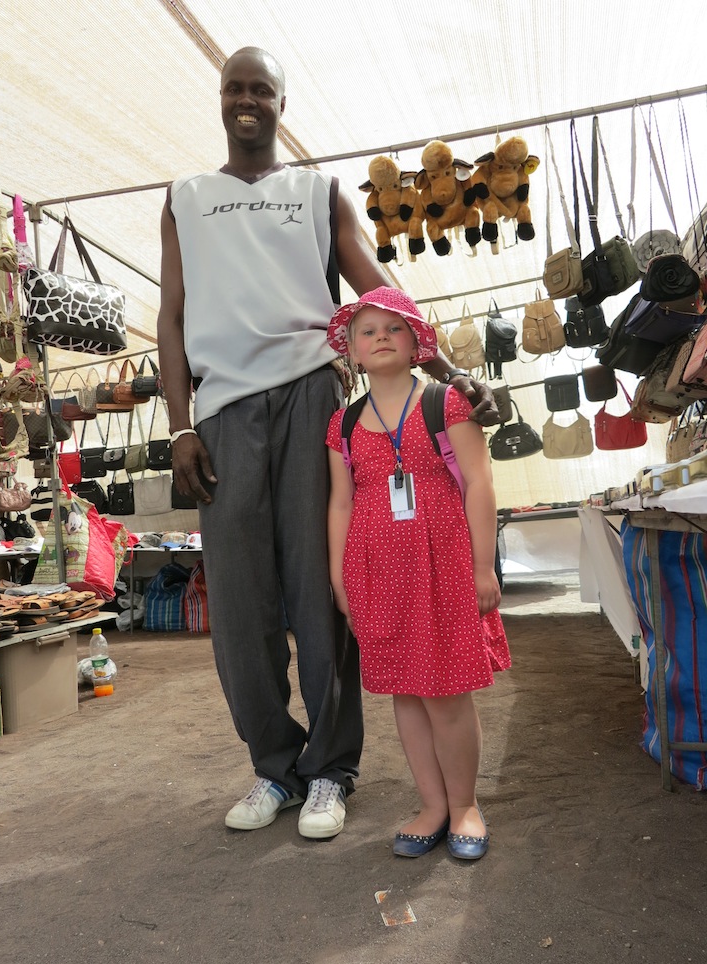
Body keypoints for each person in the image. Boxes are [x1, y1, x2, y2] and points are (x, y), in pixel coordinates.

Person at [156, 46, 497, 840]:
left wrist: (449, 371)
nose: (247, 100)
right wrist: (179, 426)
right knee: (238, 601)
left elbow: (379, 289)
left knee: (323, 588)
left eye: (262, 90)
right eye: (234, 88)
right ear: (219, 98)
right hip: (222, 411)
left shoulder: (319, 192)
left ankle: (330, 771)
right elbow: (171, 315)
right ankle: (274, 767)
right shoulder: (184, 197)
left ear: (282, 104)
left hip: (312, 398)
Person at [325, 288, 510, 859]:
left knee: (447, 695)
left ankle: (465, 806)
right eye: (367, 330)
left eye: (394, 328)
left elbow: (479, 482)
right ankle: (432, 806)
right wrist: (340, 580)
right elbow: (341, 503)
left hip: (445, 568)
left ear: (416, 343)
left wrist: (483, 567)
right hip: (377, 575)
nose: (380, 336)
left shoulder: (445, 402)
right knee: (405, 693)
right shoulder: (343, 423)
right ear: (353, 351)